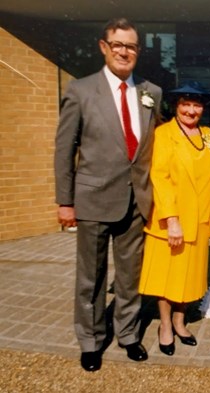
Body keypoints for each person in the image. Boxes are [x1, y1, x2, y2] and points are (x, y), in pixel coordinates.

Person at [54, 18, 162, 371]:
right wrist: (65, 201)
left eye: (131, 46)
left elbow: (154, 147)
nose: (124, 52)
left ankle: (129, 335)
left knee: (130, 276)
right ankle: (91, 340)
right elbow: (64, 149)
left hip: (137, 200)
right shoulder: (80, 90)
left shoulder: (151, 92)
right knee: (92, 277)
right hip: (93, 199)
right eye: (118, 44)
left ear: (138, 52)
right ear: (104, 46)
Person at [138, 83, 210, 356]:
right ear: (176, 105)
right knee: (168, 277)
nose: (191, 110)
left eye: (196, 105)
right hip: (171, 220)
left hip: (198, 221)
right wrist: (172, 219)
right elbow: (159, 177)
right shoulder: (164, 134)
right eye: (186, 104)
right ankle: (165, 325)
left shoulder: (207, 135)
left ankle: (179, 320)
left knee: (188, 277)